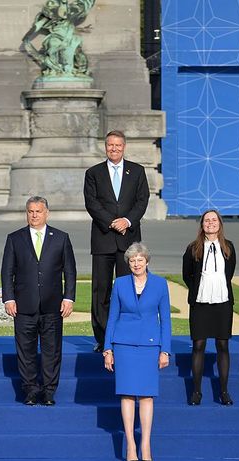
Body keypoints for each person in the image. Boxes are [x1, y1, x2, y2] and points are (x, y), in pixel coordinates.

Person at [0, 196, 76, 406]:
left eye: (38, 211)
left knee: (52, 350)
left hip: (53, 305)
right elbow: (7, 272)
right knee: (26, 351)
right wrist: (9, 298)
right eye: (30, 211)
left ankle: (49, 391)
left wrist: (68, 297)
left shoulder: (61, 238)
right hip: (24, 305)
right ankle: (31, 390)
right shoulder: (15, 238)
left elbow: (69, 271)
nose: (34, 215)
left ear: (46, 213)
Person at [103, 243, 171, 461]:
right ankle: (131, 444)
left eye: (140, 260)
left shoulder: (160, 285)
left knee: (146, 395)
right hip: (123, 345)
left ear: (147, 262)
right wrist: (107, 349)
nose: (136, 264)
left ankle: (146, 444)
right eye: (132, 261)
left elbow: (166, 321)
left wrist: (165, 351)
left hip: (150, 346)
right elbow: (112, 317)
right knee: (127, 394)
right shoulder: (120, 284)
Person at [84, 130, 150, 352]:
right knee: (101, 291)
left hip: (129, 242)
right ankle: (103, 339)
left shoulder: (138, 171)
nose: (114, 149)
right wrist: (112, 222)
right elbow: (92, 203)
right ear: (105, 146)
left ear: (124, 147)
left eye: (118, 146)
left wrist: (127, 221)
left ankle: (126, 335)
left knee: (128, 290)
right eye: (110, 145)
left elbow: (142, 201)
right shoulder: (93, 173)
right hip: (103, 238)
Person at [182, 210, 236, 406]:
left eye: (214, 220)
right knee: (199, 346)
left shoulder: (229, 247)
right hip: (200, 303)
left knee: (223, 345)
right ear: (202, 224)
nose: (210, 223)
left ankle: (223, 391)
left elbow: (229, 273)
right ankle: (196, 391)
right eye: (207, 220)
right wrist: (201, 290)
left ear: (220, 224)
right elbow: (187, 274)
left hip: (222, 302)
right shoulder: (192, 248)